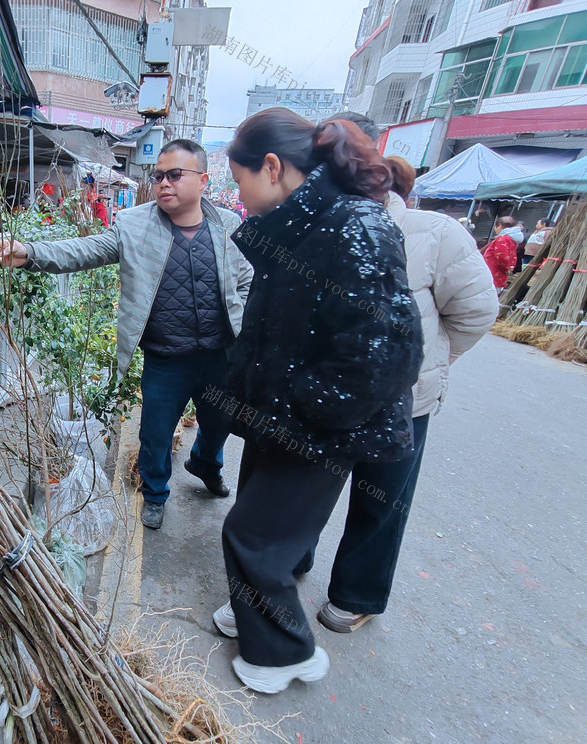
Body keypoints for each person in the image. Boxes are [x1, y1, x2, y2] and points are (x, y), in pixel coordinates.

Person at [213, 108, 423, 694]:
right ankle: (257, 615)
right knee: (263, 532)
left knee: (253, 537)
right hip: (282, 414)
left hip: (319, 424)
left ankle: (284, 654)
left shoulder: (355, 225)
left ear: (272, 167)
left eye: (240, 180)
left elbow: (387, 351)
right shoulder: (303, 223)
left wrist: (305, 405)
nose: (239, 195)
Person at [0, 139, 253, 530]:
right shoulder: (134, 225)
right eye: (158, 176)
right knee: (156, 434)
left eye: (175, 174)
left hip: (219, 356)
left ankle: (205, 464)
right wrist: (32, 254)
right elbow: (87, 249)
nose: (163, 183)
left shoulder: (228, 225)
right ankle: (156, 494)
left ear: (203, 181)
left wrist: (241, 321)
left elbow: (247, 278)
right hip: (166, 358)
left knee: (219, 425)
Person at [306, 155, 498, 635]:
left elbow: (474, 310)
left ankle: (355, 594)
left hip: (402, 403)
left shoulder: (434, 233)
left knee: (382, 498)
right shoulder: (318, 223)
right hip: (326, 396)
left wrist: (429, 362)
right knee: (305, 488)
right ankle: (289, 560)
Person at [482, 216, 521, 292]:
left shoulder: (502, 239)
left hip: (493, 274)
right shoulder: (512, 239)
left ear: (500, 226)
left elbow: (502, 256)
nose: (495, 229)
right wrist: (509, 267)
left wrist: (506, 267)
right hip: (500, 274)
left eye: (496, 226)